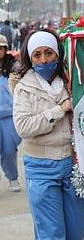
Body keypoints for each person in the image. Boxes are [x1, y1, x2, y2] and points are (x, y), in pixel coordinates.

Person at [12, 30, 84, 240]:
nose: (44, 60)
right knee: (51, 234)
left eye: (49, 53)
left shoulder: (72, 80)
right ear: (30, 58)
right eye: (37, 55)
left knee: (77, 230)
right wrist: (61, 109)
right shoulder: (23, 88)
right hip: (41, 168)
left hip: (75, 166)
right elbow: (24, 127)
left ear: (58, 54)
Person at [0, 34, 21, 192]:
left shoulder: (14, 66)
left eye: (1, 48)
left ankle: (12, 177)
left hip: (9, 115)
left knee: (9, 149)